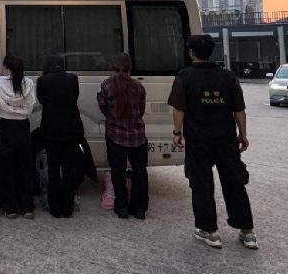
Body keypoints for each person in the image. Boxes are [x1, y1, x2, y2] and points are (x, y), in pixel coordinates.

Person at [169, 35, 258, 250]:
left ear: (191, 53)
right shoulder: (227, 76)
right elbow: (239, 109)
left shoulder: (185, 76)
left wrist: (177, 132)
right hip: (226, 139)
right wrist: (243, 134)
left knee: (201, 184)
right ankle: (247, 232)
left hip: (198, 140)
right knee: (234, 182)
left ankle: (209, 231)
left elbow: (179, 109)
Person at [97, 53, 148, 220]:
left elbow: (103, 108)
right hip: (137, 136)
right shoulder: (138, 86)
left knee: (118, 172)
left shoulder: (107, 85)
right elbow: (141, 110)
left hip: (115, 135)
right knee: (140, 172)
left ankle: (122, 207)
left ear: (113, 67)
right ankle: (139, 209)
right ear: (130, 67)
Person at [36, 54, 84, 218]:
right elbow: (75, 97)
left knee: (54, 169)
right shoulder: (73, 79)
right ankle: (67, 207)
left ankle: (55, 208)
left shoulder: (43, 81)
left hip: (51, 130)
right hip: (71, 129)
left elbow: (42, 100)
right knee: (69, 169)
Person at [0, 55, 37, 219]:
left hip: (6, 125)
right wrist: (20, 110)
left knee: (6, 167)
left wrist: (10, 110)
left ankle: (10, 207)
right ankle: (27, 207)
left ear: (7, 67)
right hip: (23, 125)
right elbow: (30, 106)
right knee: (25, 166)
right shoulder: (29, 83)